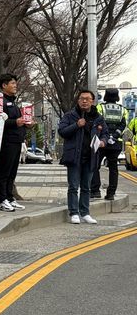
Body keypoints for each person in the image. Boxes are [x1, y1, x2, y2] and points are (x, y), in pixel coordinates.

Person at [58, 89, 108, 224]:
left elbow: (105, 133)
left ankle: (85, 212)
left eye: (87, 99)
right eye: (81, 99)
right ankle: (74, 212)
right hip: (74, 156)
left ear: (92, 101)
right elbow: (61, 131)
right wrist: (76, 125)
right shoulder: (70, 116)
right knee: (73, 186)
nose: (84, 101)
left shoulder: (98, 118)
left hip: (91, 156)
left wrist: (103, 141)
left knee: (86, 186)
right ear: (78, 101)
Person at [0, 74, 29, 212]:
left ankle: (9, 197)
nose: (15, 86)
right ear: (4, 85)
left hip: (16, 141)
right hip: (6, 141)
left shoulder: (13, 102)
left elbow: (18, 121)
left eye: (15, 83)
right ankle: (2, 199)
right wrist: (16, 122)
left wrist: (27, 124)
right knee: (4, 171)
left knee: (12, 172)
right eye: (12, 83)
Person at [90, 88, 128, 200]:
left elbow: (98, 122)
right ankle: (111, 193)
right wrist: (115, 136)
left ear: (106, 96)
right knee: (113, 168)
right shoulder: (123, 110)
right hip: (116, 143)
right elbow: (123, 125)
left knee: (95, 166)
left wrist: (106, 136)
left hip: (102, 141)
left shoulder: (100, 107)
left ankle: (95, 191)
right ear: (117, 97)